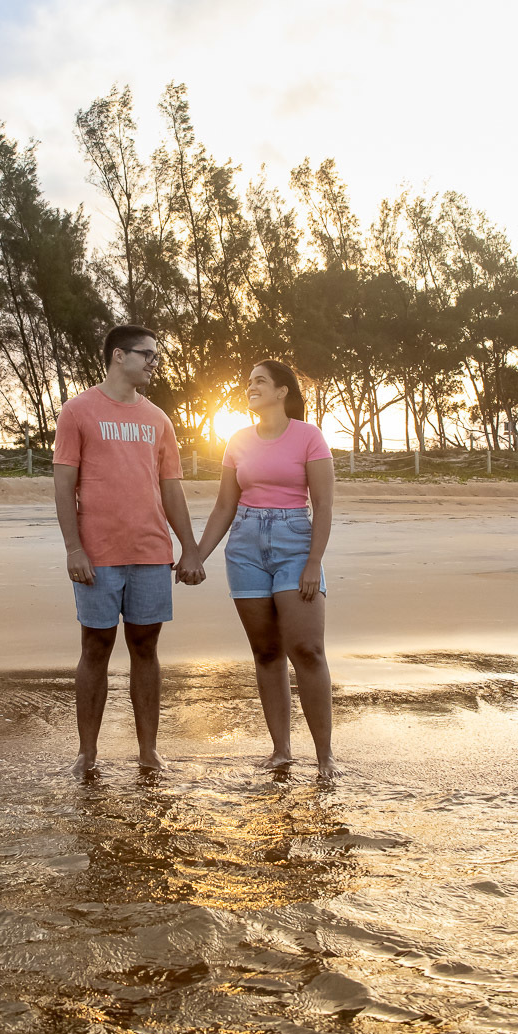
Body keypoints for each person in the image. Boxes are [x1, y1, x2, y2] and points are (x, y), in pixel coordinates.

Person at [53, 324, 205, 777]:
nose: (154, 363)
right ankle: (88, 753)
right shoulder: (78, 411)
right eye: (147, 355)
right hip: (96, 554)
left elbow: (171, 489)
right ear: (119, 356)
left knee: (146, 647)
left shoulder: (159, 419)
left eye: (156, 355)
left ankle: (148, 752)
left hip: (150, 552)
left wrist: (190, 548)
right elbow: (63, 485)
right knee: (95, 646)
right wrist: (73, 548)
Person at [196, 360, 339, 779]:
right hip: (244, 546)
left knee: (308, 651)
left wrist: (314, 562)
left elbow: (325, 505)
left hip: (296, 544)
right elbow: (224, 505)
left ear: (282, 391)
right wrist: (197, 555)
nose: (251, 387)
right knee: (267, 652)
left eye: (260, 381)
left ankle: (325, 756)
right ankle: (281, 751)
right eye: (248, 383)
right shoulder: (236, 440)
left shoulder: (309, 437)